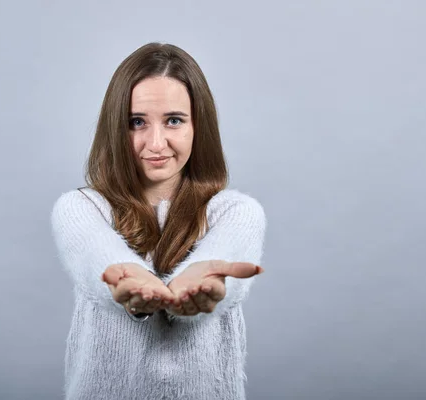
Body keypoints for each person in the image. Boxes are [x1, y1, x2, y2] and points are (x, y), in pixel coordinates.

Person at [51, 42, 267, 400]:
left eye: (174, 120)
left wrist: (201, 284)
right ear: (115, 129)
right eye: (137, 122)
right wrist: (125, 279)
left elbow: (223, 261)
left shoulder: (237, 211)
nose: (155, 142)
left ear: (199, 127)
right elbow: (96, 255)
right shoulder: (81, 206)